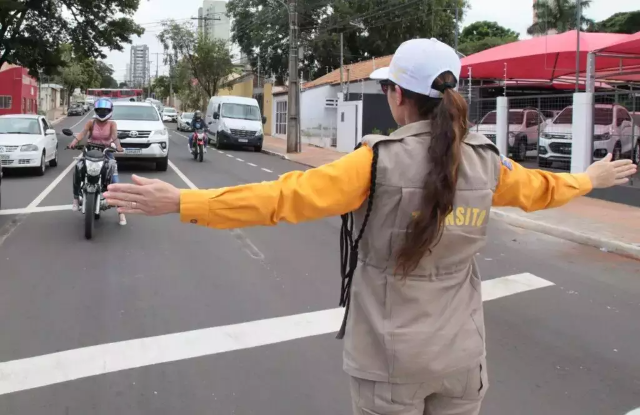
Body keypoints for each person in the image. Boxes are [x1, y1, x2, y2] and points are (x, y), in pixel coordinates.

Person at [103, 39, 637, 415]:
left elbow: (282, 199)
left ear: (397, 95)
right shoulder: (489, 162)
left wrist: (185, 203)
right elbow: (543, 190)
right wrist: (588, 179)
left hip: (390, 362)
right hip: (462, 360)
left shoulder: (374, 162)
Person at [69, 98, 127, 226]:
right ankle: (75, 198)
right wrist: (73, 143)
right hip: (89, 152)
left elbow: (114, 137)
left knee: (116, 182)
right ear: (96, 110)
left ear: (109, 111)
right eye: (100, 110)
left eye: (105, 110)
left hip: (106, 153)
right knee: (78, 168)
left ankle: (121, 213)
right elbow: (82, 134)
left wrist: (119, 147)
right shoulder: (91, 122)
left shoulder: (112, 124)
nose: (102, 112)